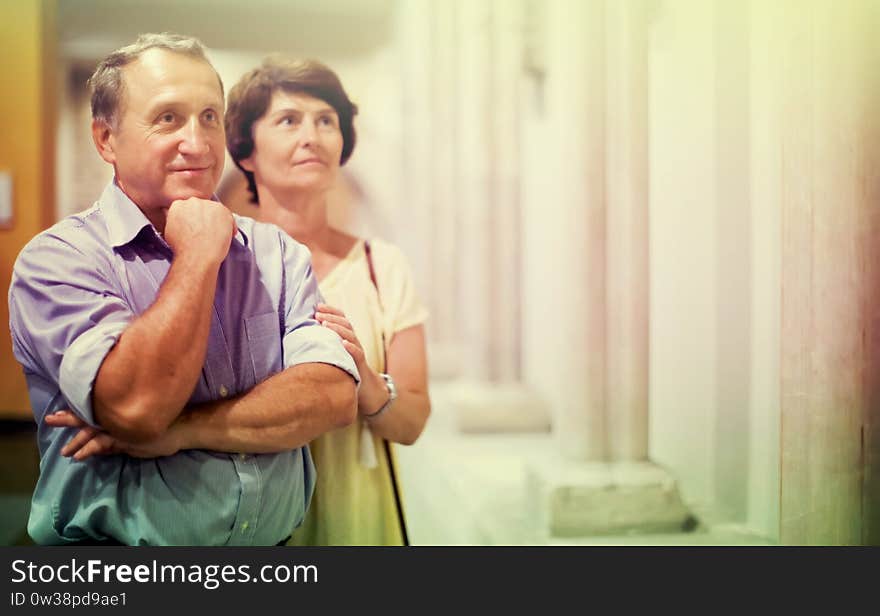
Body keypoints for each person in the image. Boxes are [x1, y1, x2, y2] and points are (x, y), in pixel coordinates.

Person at [7, 33, 360, 546]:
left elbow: (331, 396)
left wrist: (184, 429)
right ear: (106, 139)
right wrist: (197, 255)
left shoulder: (277, 254)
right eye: (168, 118)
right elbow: (136, 407)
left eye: (209, 117)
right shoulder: (58, 260)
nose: (197, 144)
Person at [224, 57, 431, 545]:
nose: (311, 136)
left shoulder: (383, 265)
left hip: (357, 514)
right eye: (288, 120)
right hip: (247, 513)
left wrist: (366, 383)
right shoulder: (221, 264)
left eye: (326, 121)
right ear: (247, 151)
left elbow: (413, 419)